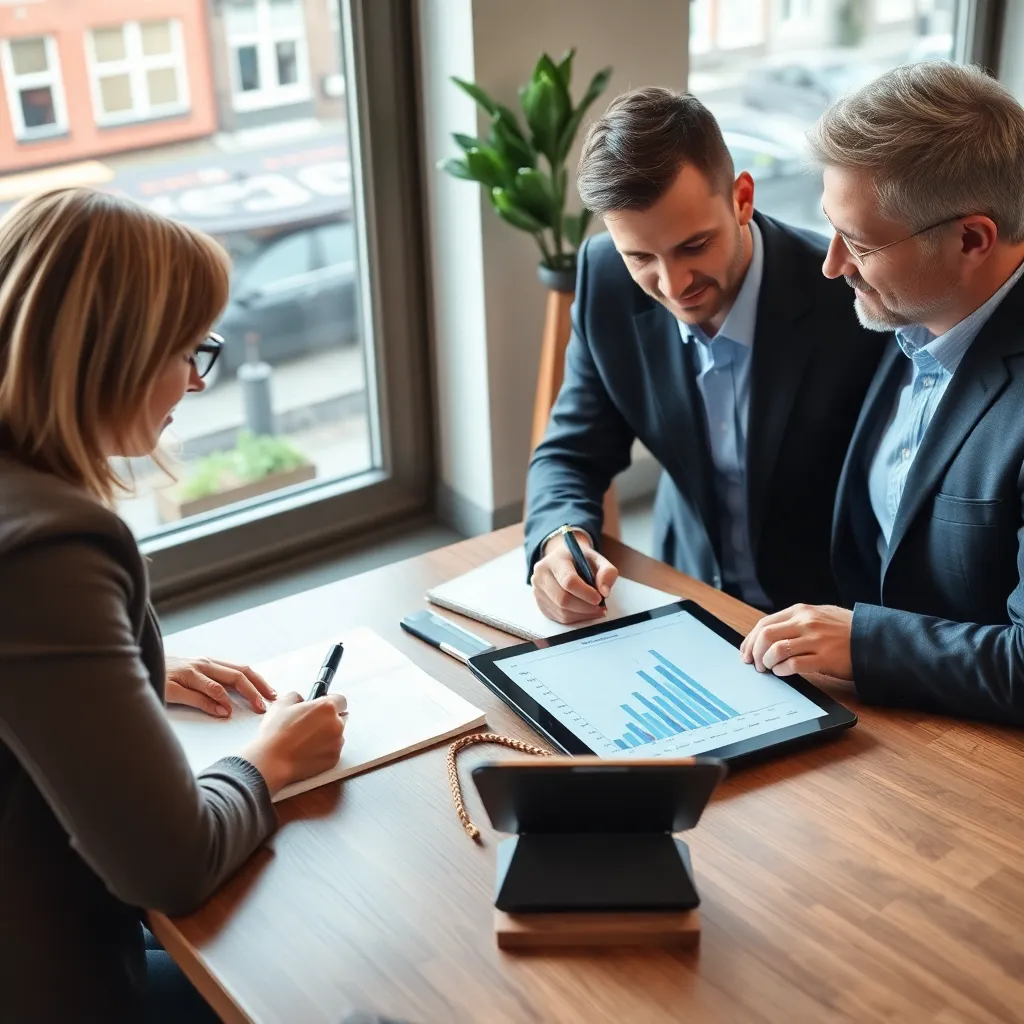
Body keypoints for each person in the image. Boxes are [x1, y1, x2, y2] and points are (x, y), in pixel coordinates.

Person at [0, 188, 349, 1021]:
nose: (195, 381)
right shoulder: (49, 548)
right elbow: (172, 864)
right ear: (110, 353)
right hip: (52, 980)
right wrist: (271, 759)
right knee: (327, 979)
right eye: (186, 350)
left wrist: (114, 670)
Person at [525, 88, 887, 625]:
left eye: (694, 246)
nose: (674, 285)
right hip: (685, 588)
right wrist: (561, 540)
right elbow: (572, 451)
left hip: (822, 616)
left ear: (742, 198)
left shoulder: (848, 296)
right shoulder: (604, 279)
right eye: (641, 257)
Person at [740, 62, 1024, 723]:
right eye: (832, 227)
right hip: (866, 711)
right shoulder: (908, 306)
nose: (832, 265)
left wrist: (863, 642)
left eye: (861, 245)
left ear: (972, 239)